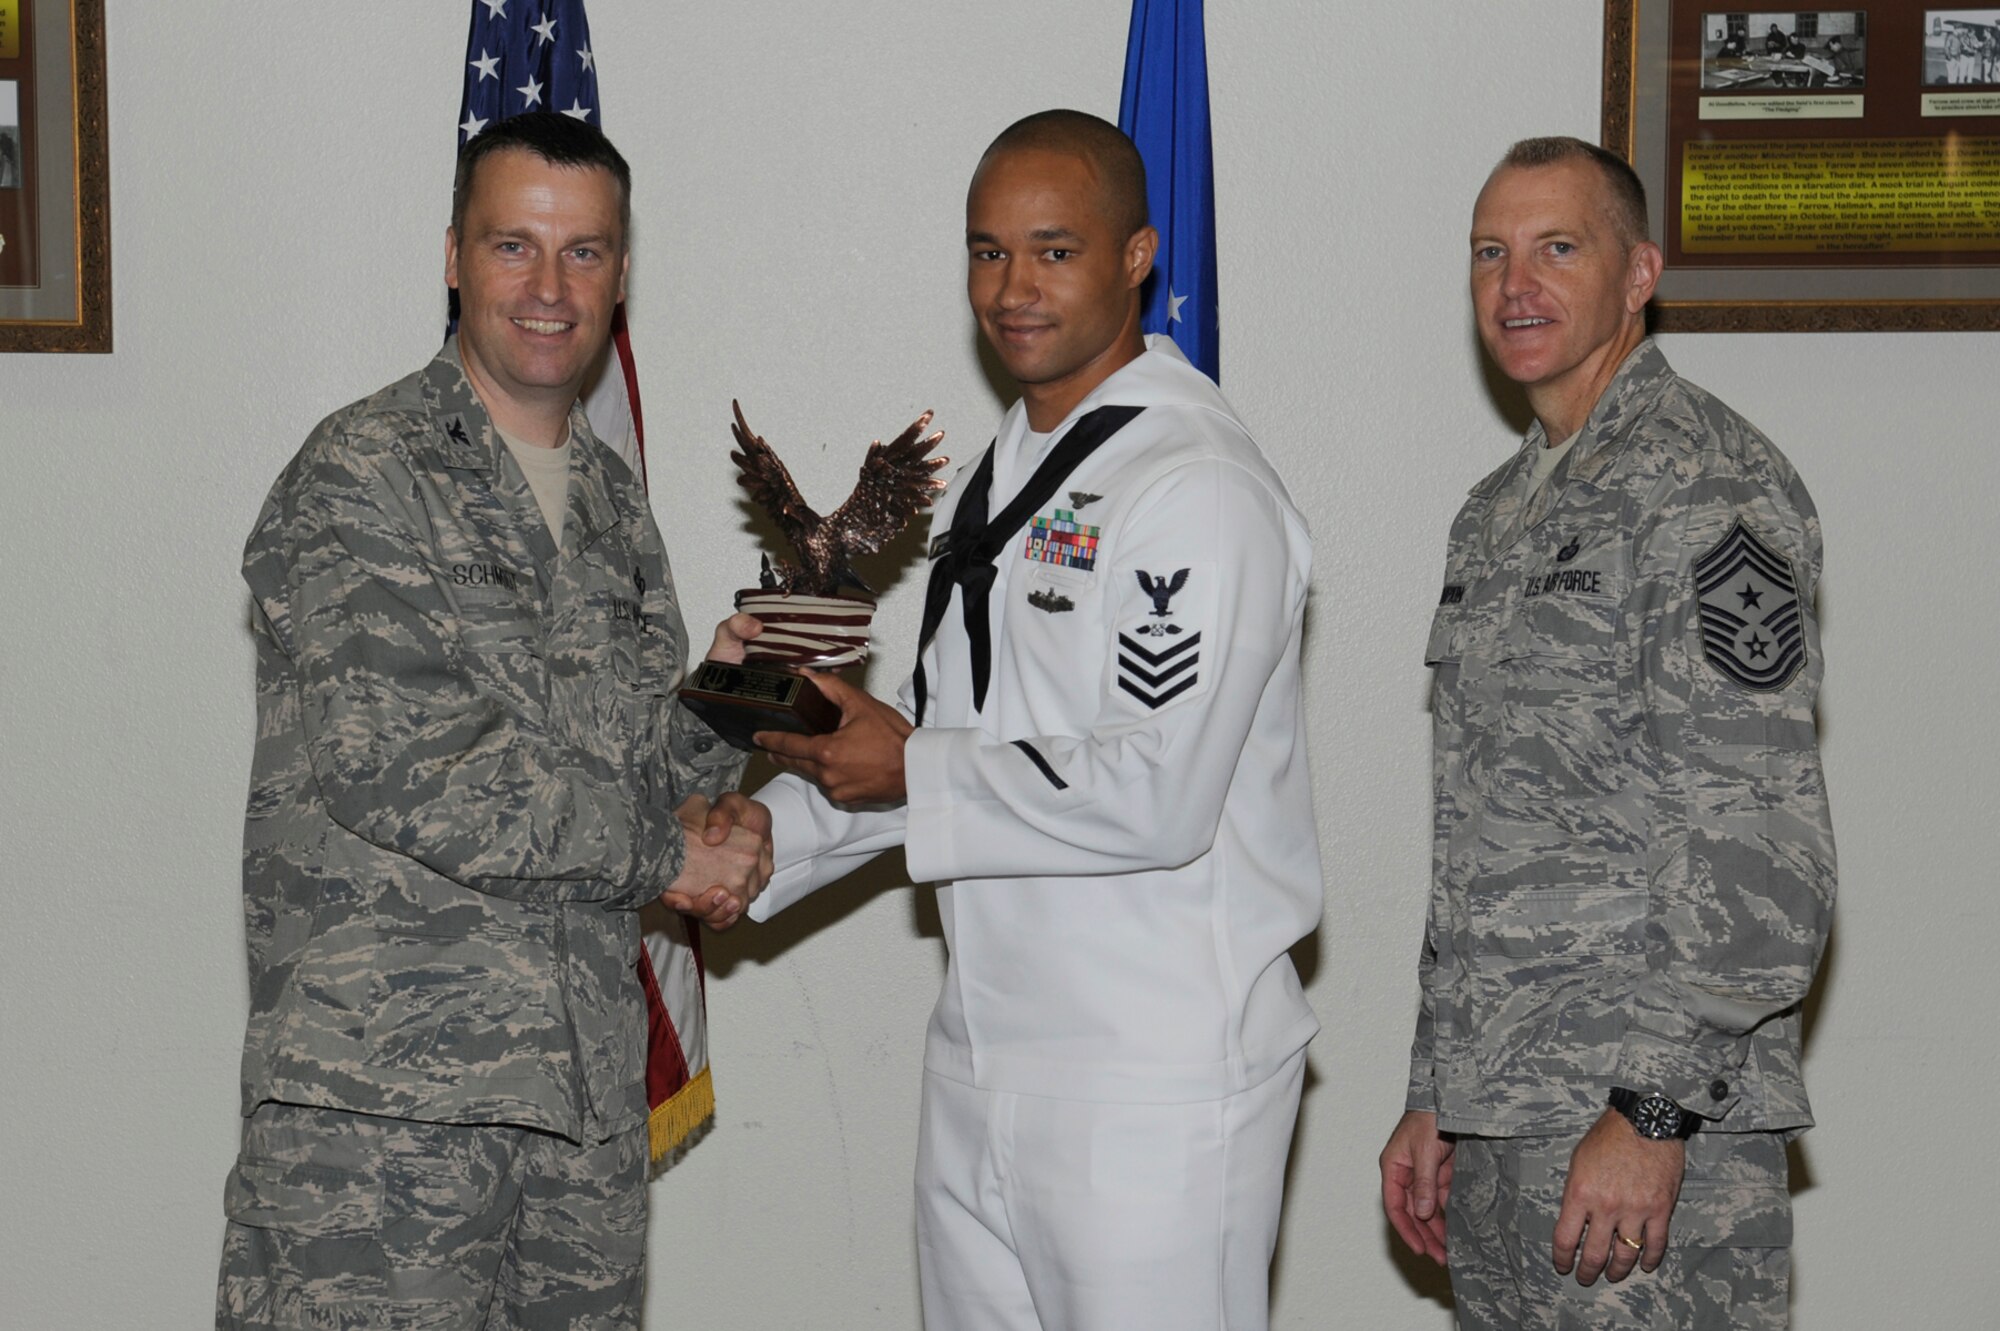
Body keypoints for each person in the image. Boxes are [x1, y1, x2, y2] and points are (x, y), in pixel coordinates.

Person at [741, 109, 1321, 1329]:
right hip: (983, 1050)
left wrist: (909, 768)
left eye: (1053, 251)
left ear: (1136, 257)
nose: (1012, 288)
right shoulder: (1015, 464)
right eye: (986, 250)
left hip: (1149, 1082)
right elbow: (950, 740)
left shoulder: (1193, 483)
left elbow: (1155, 790)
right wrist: (761, 845)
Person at [216, 113, 769, 1329]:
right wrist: (675, 854)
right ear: (454, 257)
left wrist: (735, 697)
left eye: (583, 252)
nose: (548, 286)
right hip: (380, 1123)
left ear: (620, 274)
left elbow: (631, 767)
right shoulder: (362, 472)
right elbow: (408, 767)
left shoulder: (613, 503)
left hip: (579, 1115)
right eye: (513, 245)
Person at [1378, 137, 1835, 1330]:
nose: (1512, 284)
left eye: (1555, 248)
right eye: (1489, 252)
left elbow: (1753, 836)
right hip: (1506, 1123)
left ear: (1638, 275)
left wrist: (1654, 1112)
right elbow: (1477, 830)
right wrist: (1436, 1090)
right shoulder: (1493, 514)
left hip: (1639, 1138)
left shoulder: (1707, 486)